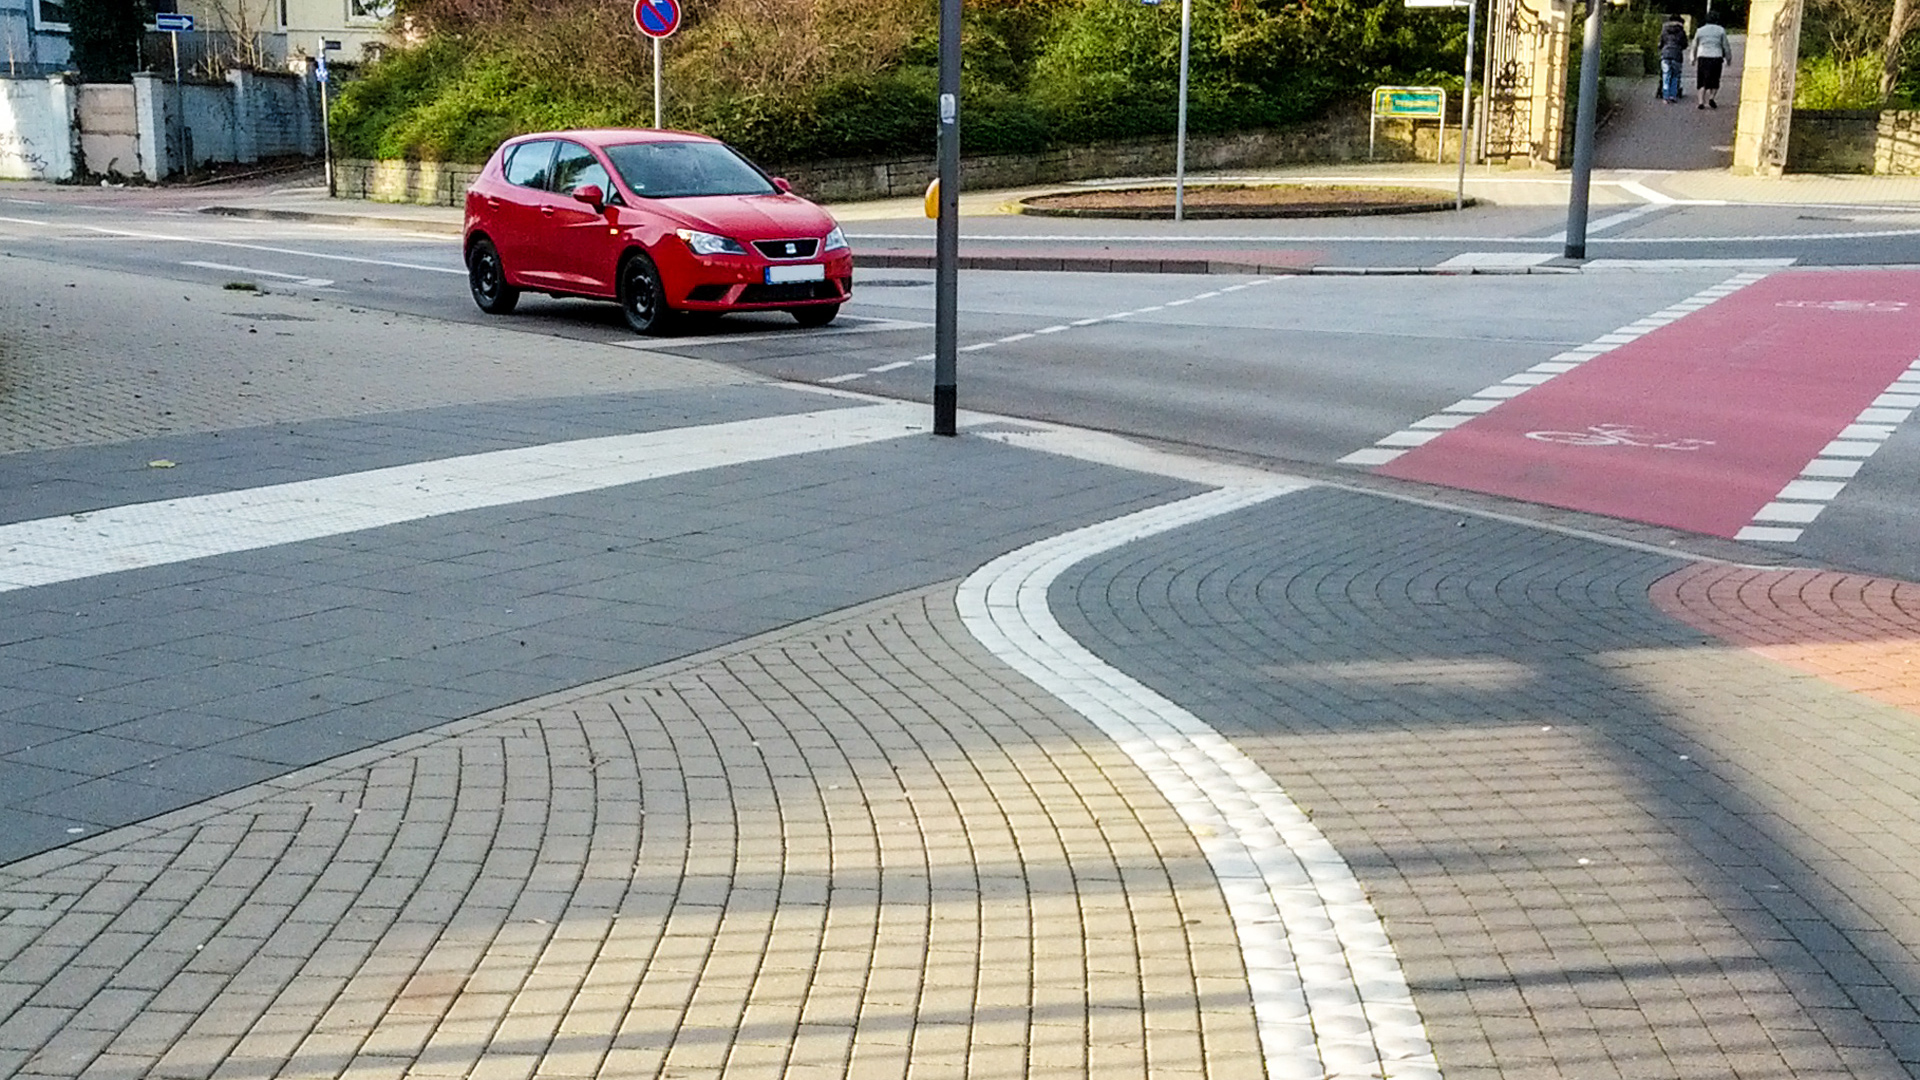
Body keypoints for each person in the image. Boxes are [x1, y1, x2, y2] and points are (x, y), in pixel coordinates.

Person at [1691, 10, 1732, 109]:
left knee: (1701, 80)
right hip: (1716, 57)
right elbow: (1725, 46)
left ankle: (1701, 101)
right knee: (1715, 79)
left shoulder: (1700, 30)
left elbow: (1694, 45)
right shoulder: (1721, 30)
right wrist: (1728, 58)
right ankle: (1711, 98)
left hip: (1703, 57)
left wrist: (1693, 58)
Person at [1658, 15, 1688, 103]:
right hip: (1677, 55)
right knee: (1675, 76)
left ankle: (1665, 96)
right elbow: (1685, 44)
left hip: (1665, 54)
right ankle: (1673, 95)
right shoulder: (1681, 31)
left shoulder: (1664, 30)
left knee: (1666, 76)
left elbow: (1660, 43)